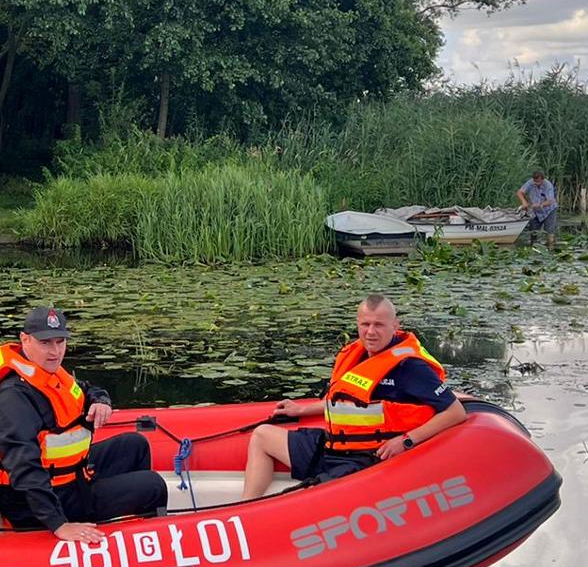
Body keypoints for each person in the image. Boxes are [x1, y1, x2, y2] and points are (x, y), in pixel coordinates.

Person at [239, 295, 467, 501]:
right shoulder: (356, 355)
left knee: (303, 498)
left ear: (395, 326)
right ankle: (245, 507)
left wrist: (407, 440)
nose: (370, 332)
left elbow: (455, 412)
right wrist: (301, 410)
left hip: (367, 458)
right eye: (365, 324)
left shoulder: (410, 367)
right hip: (333, 446)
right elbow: (349, 402)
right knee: (262, 436)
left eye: (379, 325)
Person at [0, 306, 168, 544]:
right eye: (46, 343)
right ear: (24, 340)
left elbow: (85, 389)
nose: (55, 351)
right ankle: (147, 551)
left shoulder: (43, 369)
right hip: (37, 503)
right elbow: (24, 468)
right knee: (153, 486)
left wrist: (100, 401)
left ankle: (124, 523)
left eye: (60, 342)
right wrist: (59, 524)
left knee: (135, 445)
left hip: (68, 476)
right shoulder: (14, 398)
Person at [515, 171, 558, 248]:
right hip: (536, 212)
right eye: (535, 181)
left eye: (538, 182)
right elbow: (520, 192)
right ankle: (533, 246)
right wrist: (524, 202)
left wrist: (540, 205)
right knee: (533, 231)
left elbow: (550, 201)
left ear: (542, 179)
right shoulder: (530, 183)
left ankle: (551, 247)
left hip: (549, 211)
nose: (536, 183)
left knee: (549, 231)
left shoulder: (548, 186)